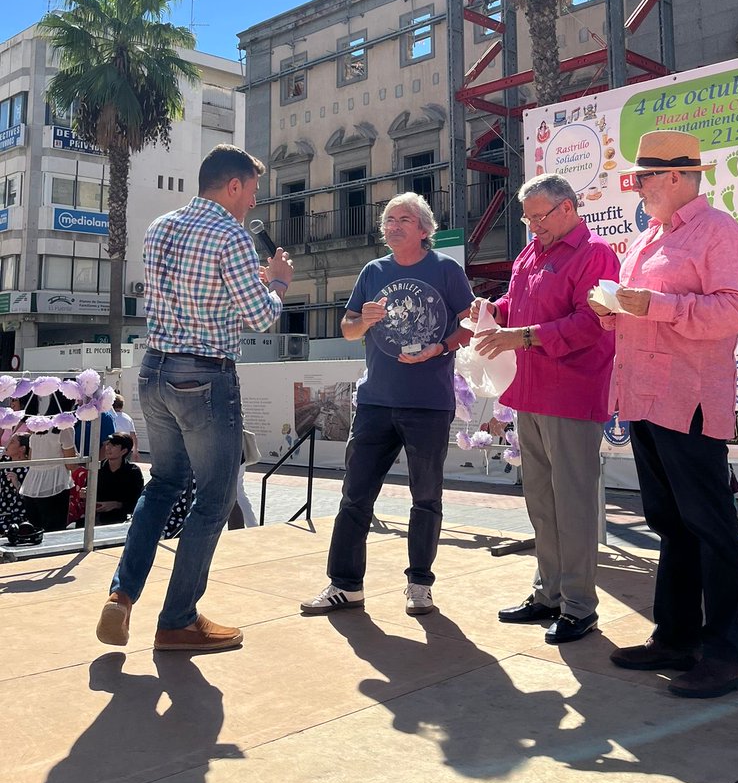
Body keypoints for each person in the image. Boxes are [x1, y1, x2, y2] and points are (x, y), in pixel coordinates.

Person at [96, 144, 293, 653]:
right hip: (205, 375)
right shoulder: (229, 234)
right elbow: (258, 316)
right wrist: (278, 283)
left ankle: (121, 595)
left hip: (154, 369)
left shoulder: (160, 226)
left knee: (162, 486)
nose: (252, 201)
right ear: (232, 186)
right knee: (215, 496)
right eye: (250, 190)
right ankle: (177, 618)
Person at [589, 131, 738, 699]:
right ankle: (676, 637)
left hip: (687, 398)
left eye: (643, 178)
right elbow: (641, 313)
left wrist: (654, 305)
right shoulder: (647, 239)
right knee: (670, 524)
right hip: (643, 398)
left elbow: (737, 308)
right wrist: (611, 309)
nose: (635, 187)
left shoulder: (718, 231)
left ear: (680, 177)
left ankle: (726, 656)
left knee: (710, 528)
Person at [301, 192, 473, 617]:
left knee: (426, 497)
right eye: (389, 219)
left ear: (424, 229)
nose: (393, 226)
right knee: (355, 496)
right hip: (375, 401)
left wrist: (440, 348)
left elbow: (471, 324)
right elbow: (346, 328)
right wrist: (365, 320)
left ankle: (419, 585)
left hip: (428, 404)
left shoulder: (446, 270)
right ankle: (345, 585)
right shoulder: (372, 271)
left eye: (404, 219)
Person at [473, 173, 619, 645]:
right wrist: (493, 310)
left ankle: (579, 607)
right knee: (541, 500)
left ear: (568, 209)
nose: (533, 226)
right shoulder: (531, 252)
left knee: (572, 504)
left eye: (540, 216)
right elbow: (521, 303)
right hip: (531, 392)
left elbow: (591, 323)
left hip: (572, 394)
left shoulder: (595, 253)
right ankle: (549, 593)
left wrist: (526, 336)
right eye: (528, 218)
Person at [19, 395, 77, 532]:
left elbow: (32, 458)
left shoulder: (37, 427)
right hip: (55, 484)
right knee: (54, 532)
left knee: (34, 531)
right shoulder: (65, 428)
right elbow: (70, 464)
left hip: (31, 485)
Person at [94, 433, 145, 525]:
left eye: (113, 445)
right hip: (93, 517)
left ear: (124, 451)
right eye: (108, 444)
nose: (108, 448)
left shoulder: (133, 472)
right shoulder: (97, 468)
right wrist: (86, 493)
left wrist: (116, 505)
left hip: (120, 519)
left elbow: (137, 501)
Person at [111, 394, 139, 460]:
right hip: (126, 447)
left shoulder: (110, 417)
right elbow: (133, 435)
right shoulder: (128, 418)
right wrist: (135, 450)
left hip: (113, 445)